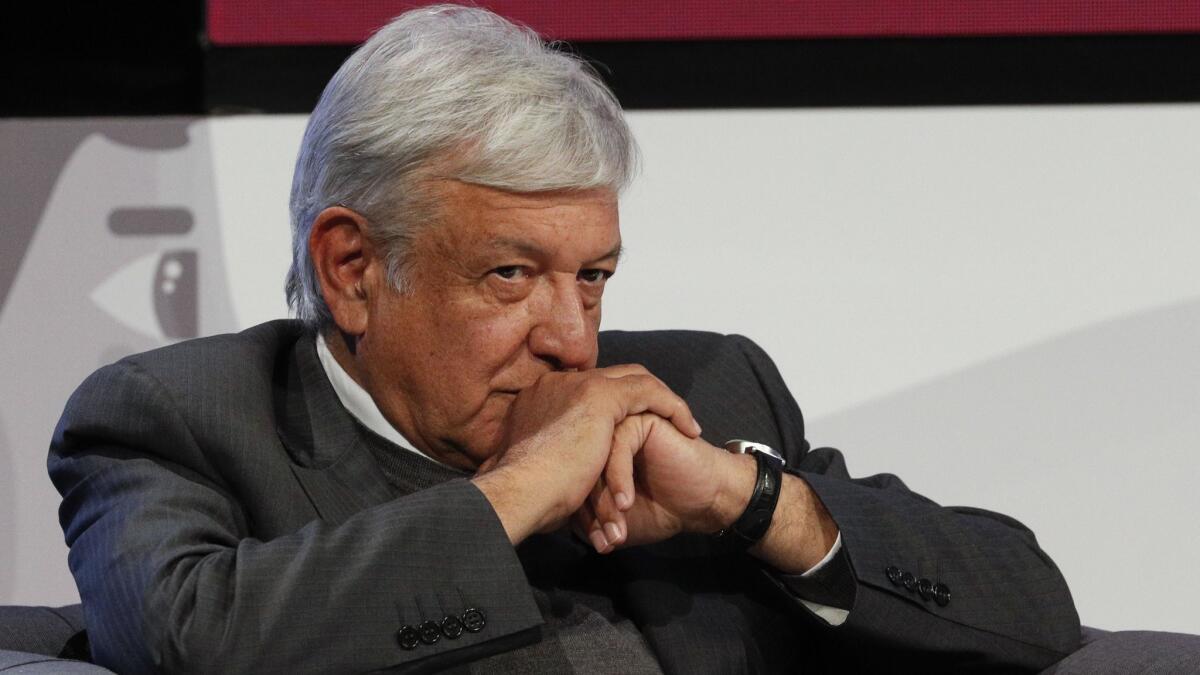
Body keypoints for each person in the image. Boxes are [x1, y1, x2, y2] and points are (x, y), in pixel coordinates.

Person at [49, 5, 1081, 673]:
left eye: (592, 278)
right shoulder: (182, 421)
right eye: (511, 275)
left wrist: (748, 500)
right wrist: (515, 494)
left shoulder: (702, 388)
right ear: (352, 270)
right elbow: (181, 643)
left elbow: (1032, 610)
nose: (574, 344)